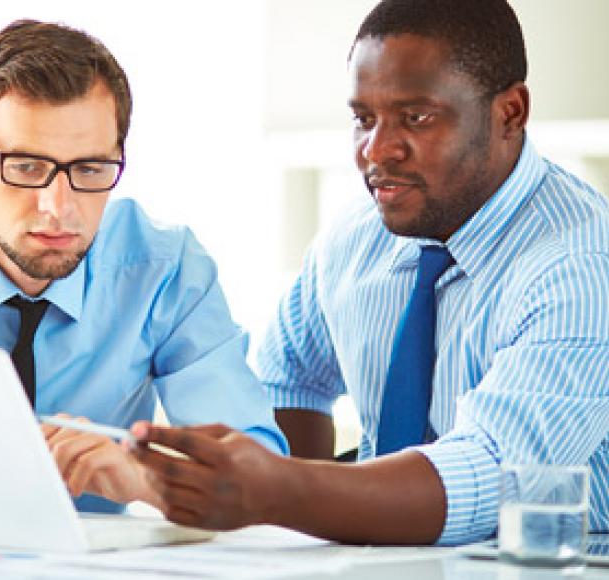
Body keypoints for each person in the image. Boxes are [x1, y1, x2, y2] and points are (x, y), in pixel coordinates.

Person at [133, 0, 609, 545]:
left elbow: (492, 476)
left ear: (510, 113)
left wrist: (280, 490)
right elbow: (290, 379)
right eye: (363, 119)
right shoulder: (352, 242)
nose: (376, 151)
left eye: (416, 118)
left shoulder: (583, 265)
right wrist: (288, 538)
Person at [0, 19, 287, 514]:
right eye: (25, 167)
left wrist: (145, 479)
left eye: (88, 169)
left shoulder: (166, 273)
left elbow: (255, 475)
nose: (57, 207)